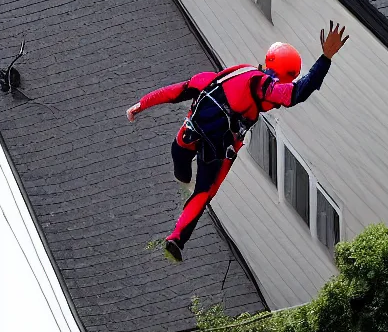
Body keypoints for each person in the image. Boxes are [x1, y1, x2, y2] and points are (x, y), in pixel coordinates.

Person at [127, 21, 349, 262]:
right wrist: (325, 58)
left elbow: (176, 91)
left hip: (188, 134)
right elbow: (297, 93)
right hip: (216, 148)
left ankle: (182, 175)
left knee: (181, 160)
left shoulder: (220, 78)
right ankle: (177, 238)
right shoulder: (263, 87)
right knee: (204, 192)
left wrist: (141, 104)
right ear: (285, 75)